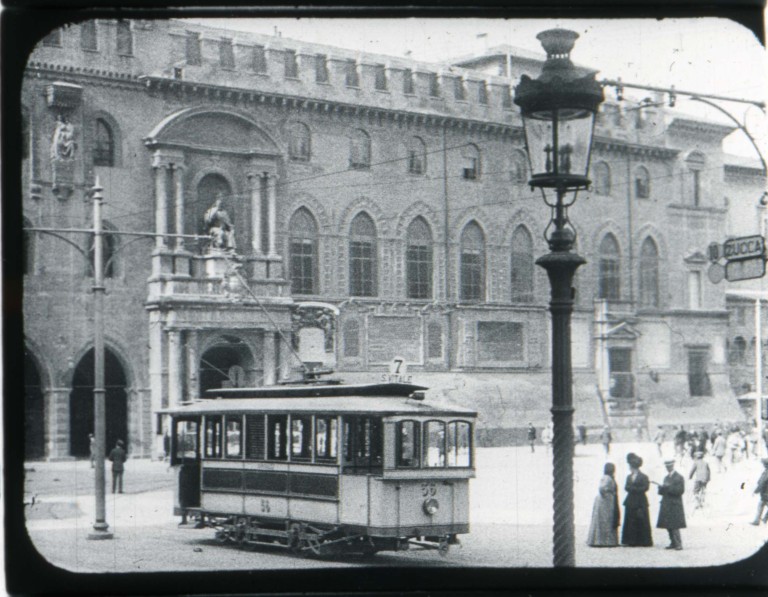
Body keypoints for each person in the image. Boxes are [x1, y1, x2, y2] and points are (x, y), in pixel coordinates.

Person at [621, 452, 653, 547]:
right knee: (631, 520)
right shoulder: (629, 477)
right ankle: (631, 540)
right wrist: (635, 489)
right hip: (631, 501)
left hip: (640, 501)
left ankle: (643, 540)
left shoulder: (644, 477)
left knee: (641, 520)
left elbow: (645, 488)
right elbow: (626, 487)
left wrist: (633, 489)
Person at [654, 458, 686, 550]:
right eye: (667, 466)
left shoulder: (679, 477)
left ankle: (678, 543)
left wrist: (668, 488)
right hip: (666, 504)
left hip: (675, 504)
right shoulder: (666, 478)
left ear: (673, 466)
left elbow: (680, 491)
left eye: (669, 466)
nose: (668, 468)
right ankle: (673, 542)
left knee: (675, 525)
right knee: (668, 525)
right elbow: (661, 493)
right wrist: (660, 488)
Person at [587, 462, 620, 547]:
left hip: (604, 501)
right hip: (606, 502)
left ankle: (600, 540)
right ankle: (605, 541)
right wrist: (609, 493)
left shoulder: (606, 477)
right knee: (606, 520)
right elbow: (602, 488)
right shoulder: (607, 478)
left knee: (603, 520)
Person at [750, 457, 768, 526]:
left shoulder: (766, 472)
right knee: (761, 505)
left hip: (765, 493)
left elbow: (762, 483)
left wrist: (756, 491)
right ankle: (764, 519)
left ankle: (757, 521)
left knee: (760, 505)